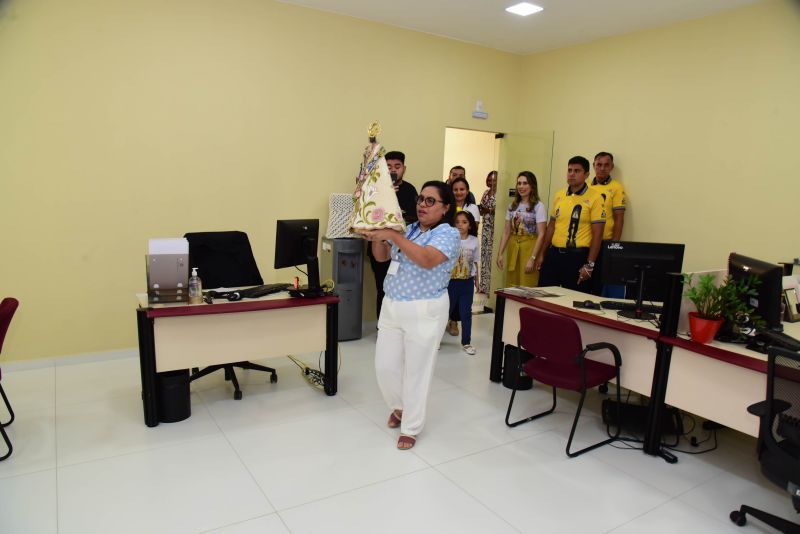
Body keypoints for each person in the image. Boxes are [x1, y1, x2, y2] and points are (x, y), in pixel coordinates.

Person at [364, 181, 459, 450]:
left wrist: (394, 237)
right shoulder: (409, 229)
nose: (422, 205)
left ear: (445, 208)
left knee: (417, 370)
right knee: (385, 366)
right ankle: (400, 406)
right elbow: (382, 258)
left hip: (424, 308)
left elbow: (427, 259)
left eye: (431, 201)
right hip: (393, 304)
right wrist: (379, 238)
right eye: (420, 199)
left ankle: (411, 426)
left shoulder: (447, 233)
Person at [536, 156, 606, 293]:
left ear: (586, 175)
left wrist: (589, 265)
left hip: (577, 257)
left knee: (573, 301)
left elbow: (598, 234)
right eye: (569, 170)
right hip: (554, 254)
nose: (571, 174)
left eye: (577, 171)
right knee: (544, 296)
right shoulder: (560, 195)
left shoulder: (596, 198)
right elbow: (551, 226)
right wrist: (542, 254)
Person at [366, 151, 418, 320]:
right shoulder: (374, 189)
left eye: (397, 166)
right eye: (388, 167)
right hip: (379, 246)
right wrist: (385, 194)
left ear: (404, 168)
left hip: (402, 249)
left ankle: (399, 325)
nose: (393, 170)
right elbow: (366, 217)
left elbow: (414, 219)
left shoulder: (410, 190)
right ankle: (382, 327)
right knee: (383, 288)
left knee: (401, 288)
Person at [496, 171, 547, 288]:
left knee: (527, 283)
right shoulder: (512, 206)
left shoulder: (538, 206)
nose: (521, 186)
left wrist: (533, 258)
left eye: (525, 183)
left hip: (530, 248)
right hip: (514, 247)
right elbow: (506, 231)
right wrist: (500, 253)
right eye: (519, 183)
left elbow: (542, 234)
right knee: (511, 284)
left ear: (532, 186)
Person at [588, 151, 627, 297]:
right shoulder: (585, 187)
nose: (602, 168)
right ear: (594, 166)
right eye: (599, 165)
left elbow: (619, 219)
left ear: (611, 167)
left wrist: (614, 247)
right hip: (585, 242)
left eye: (606, 165)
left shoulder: (616, 188)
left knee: (598, 285)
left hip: (604, 244)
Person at [447, 211, 480, 355]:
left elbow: (476, 262)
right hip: (451, 282)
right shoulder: (450, 239)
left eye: (464, 222)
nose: (460, 225)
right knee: (445, 312)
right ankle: (435, 341)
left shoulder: (474, 240)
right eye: (457, 222)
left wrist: (477, 281)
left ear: (470, 225)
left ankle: (466, 342)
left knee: (466, 313)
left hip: (467, 283)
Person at [478, 170, 497, 295]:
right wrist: (484, 210)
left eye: (494, 180)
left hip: (495, 229)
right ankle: (483, 286)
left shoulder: (500, 194)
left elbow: (497, 210)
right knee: (484, 257)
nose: (491, 182)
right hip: (485, 228)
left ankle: (492, 286)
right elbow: (481, 209)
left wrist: (488, 210)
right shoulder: (486, 193)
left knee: (492, 257)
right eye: (489, 179)